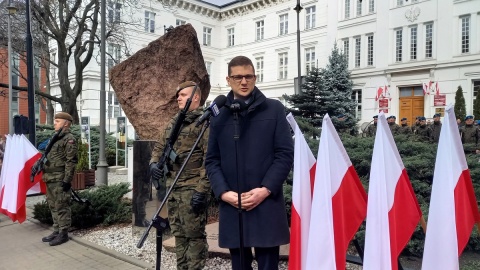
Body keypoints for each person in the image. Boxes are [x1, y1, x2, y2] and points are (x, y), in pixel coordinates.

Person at [205, 56, 294, 270]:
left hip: (266, 202)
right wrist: (224, 193)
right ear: (228, 79)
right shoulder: (219, 115)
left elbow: (285, 154)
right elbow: (212, 160)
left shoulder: (274, 110)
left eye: (248, 76)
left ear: (255, 77)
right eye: (237, 77)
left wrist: (265, 190)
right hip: (233, 204)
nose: (243, 82)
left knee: (268, 264)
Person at [149, 81, 210, 270]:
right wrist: (153, 164)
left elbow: (211, 160)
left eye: (183, 95)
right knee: (180, 235)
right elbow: (160, 146)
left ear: (196, 97)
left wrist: (202, 190)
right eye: (178, 96)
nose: (178, 99)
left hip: (192, 189)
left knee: (194, 236)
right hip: (173, 188)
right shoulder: (174, 122)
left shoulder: (205, 123)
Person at [40, 112, 78, 246]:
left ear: (66, 123)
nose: (54, 123)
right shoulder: (55, 138)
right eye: (55, 121)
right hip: (50, 178)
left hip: (60, 178)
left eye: (57, 121)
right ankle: (56, 230)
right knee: (53, 205)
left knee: (61, 205)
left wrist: (67, 180)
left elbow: (71, 161)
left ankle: (63, 233)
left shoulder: (69, 139)